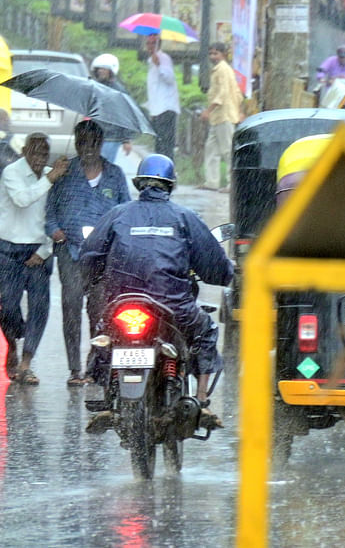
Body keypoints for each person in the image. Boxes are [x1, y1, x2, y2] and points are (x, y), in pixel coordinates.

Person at [80, 154, 233, 428]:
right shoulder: (184, 217)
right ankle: (201, 402)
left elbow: (89, 256)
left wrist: (89, 281)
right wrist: (226, 274)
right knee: (206, 332)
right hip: (173, 308)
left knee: (103, 336)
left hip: (121, 306)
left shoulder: (118, 214)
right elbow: (213, 264)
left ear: (140, 184)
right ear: (170, 185)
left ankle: (104, 395)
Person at [44, 120, 130, 386]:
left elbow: (126, 211)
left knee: (99, 311)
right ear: (77, 144)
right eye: (82, 143)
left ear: (101, 144)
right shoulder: (65, 172)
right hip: (70, 252)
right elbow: (49, 211)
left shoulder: (115, 174)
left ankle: (96, 363)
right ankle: (74, 369)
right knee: (71, 306)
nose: (88, 149)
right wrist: (54, 230)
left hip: (103, 257)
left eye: (93, 143)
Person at [0, 134, 67, 385]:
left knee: (39, 307)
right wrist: (50, 178)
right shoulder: (12, 172)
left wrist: (45, 250)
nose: (38, 159)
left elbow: (54, 216)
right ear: (24, 151)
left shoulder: (51, 176)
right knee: (9, 306)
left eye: (44, 155)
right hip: (7, 248)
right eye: (34, 153)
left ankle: (26, 362)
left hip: (38, 250)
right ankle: (12, 344)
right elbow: (23, 200)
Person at [201, 42, 243, 191]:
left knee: (227, 150)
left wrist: (208, 110)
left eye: (216, 53)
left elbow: (223, 94)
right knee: (211, 149)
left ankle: (233, 184)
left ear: (223, 54)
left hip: (223, 115)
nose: (213, 56)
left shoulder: (223, 70)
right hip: (218, 117)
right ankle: (212, 182)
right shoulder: (221, 70)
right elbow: (237, 94)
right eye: (211, 53)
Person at [90, 53, 134, 164]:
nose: (100, 71)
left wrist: (126, 139)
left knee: (104, 168)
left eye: (104, 69)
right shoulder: (94, 87)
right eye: (99, 69)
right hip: (94, 136)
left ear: (111, 71)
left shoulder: (117, 92)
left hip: (110, 138)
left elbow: (125, 116)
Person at [144, 34, 180, 159]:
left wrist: (159, 65)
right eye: (148, 43)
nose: (150, 46)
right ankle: (160, 172)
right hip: (157, 110)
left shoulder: (164, 58)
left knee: (165, 145)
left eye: (153, 43)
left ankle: (167, 173)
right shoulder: (151, 61)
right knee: (159, 145)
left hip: (166, 109)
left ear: (158, 44)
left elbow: (170, 78)